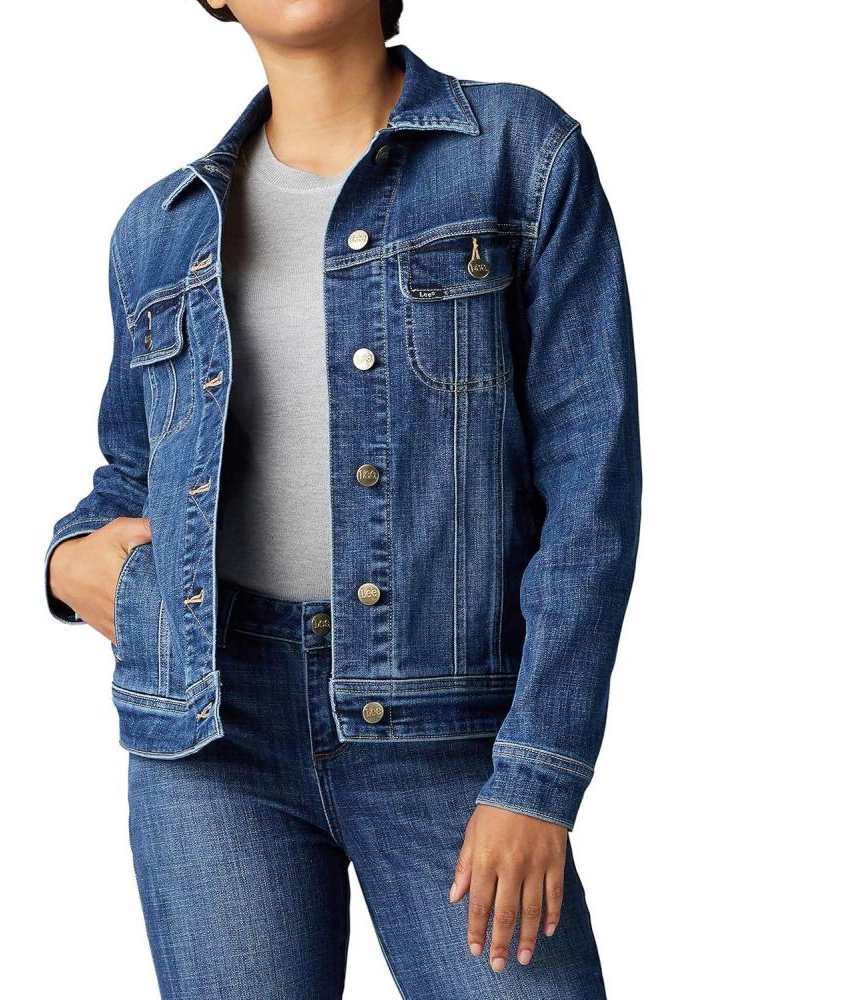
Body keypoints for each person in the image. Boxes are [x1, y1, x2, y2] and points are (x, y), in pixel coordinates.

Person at [44, 1, 641, 996]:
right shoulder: (159, 229)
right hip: (211, 737)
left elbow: (591, 485)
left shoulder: (516, 151)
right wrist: (67, 560)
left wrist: (538, 775)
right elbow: (132, 473)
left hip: (452, 729)